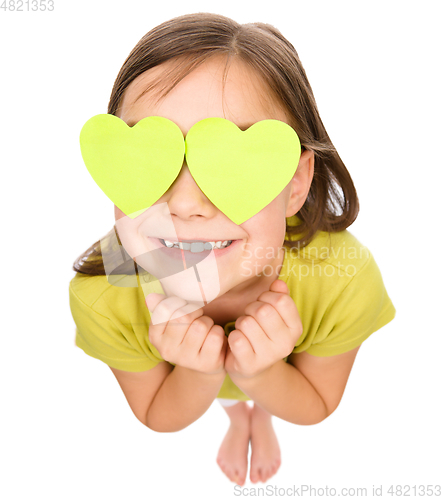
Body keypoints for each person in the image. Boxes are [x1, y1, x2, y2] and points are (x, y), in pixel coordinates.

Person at [69, 12, 396, 486]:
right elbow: (157, 412)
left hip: (283, 376)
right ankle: (238, 414)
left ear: (295, 184)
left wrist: (263, 375)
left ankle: (256, 416)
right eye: (148, 160)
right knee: (231, 397)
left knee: (258, 400)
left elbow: (316, 402)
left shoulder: (342, 277)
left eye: (230, 165)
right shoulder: (104, 296)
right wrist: (197, 374)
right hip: (196, 383)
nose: (183, 204)